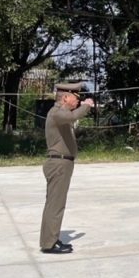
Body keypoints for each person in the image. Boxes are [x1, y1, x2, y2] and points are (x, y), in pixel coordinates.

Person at [39, 82, 93, 255]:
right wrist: (86, 106)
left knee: (56, 204)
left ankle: (51, 238)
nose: (78, 101)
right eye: (75, 98)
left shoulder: (61, 113)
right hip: (58, 165)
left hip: (62, 164)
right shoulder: (57, 112)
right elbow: (72, 117)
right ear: (65, 98)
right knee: (55, 205)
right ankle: (49, 243)